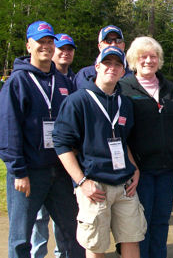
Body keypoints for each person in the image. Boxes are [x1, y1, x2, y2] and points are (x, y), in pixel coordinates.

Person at [0, 20, 84, 258]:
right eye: (40, 41)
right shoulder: (17, 82)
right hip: (29, 172)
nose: (46, 46)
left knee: (72, 231)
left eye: (50, 41)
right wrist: (18, 171)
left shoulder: (63, 81)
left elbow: (72, 123)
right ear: (29, 46)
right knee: (20, 238)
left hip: (60, 170)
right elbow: (8, 129)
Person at [52, 46, 147, 258]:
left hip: (124, 185)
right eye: (107, 63)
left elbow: (124, 141)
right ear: (97, 67)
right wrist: (81, 181)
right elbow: (62, 144)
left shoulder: (125, 104)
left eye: (117, 64)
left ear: (123, 72)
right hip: (94, 186)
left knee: (132, 239)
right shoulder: (78, 101)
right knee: (96, 246)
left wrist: (135, 168)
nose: (111, 68)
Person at [119, 36, 173, 258]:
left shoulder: (170, 89)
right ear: (134, 59)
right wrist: (131, 165)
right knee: (138, 224)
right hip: (139, 172)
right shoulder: (123, 88)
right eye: (143, 56)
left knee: (161, 222)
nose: (148, 61)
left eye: (153, 56)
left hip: (167, 169)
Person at [31, 32, 77, 258]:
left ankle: (62, 254)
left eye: (70, 49)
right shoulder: (34, 78)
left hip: (63, 164)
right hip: (39, 163)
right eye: (62, 48)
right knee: (39, 218)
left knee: (64, 218)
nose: (65, 52)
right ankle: (37, 254)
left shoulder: (72, 82)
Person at [74, 25, 127, 89]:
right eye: (108, 40)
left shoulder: (133, 74)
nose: (113, 44)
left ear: (123, 45)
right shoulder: (85, 74)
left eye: (118, 40)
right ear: (100, 46)